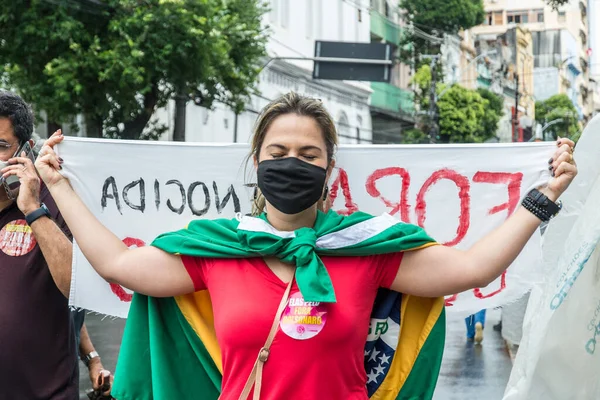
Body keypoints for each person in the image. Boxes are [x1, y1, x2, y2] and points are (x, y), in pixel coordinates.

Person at [32, 92, 577, 400]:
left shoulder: (367, 247)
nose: (292, 163)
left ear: (329, 167)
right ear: (257, 161)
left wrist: (544, 196)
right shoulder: (218, 250)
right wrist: (57, 186)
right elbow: (120, 264)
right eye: (279, 150)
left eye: (309, 154)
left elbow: (473, 269)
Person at [0, 91, 78, 399]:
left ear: (25, 149)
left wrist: (32, 209)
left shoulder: (54, 200)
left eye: (2, 146)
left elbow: (75, 286)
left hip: (46, 391)